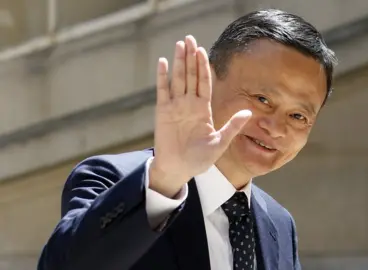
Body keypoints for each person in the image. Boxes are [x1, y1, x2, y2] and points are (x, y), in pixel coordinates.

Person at [37, 8, 337, 270]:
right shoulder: (118, 180)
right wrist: (165, 179)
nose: (276, 128)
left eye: (298, 116)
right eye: (262, 99)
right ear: (206, 79)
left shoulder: (279, 225)